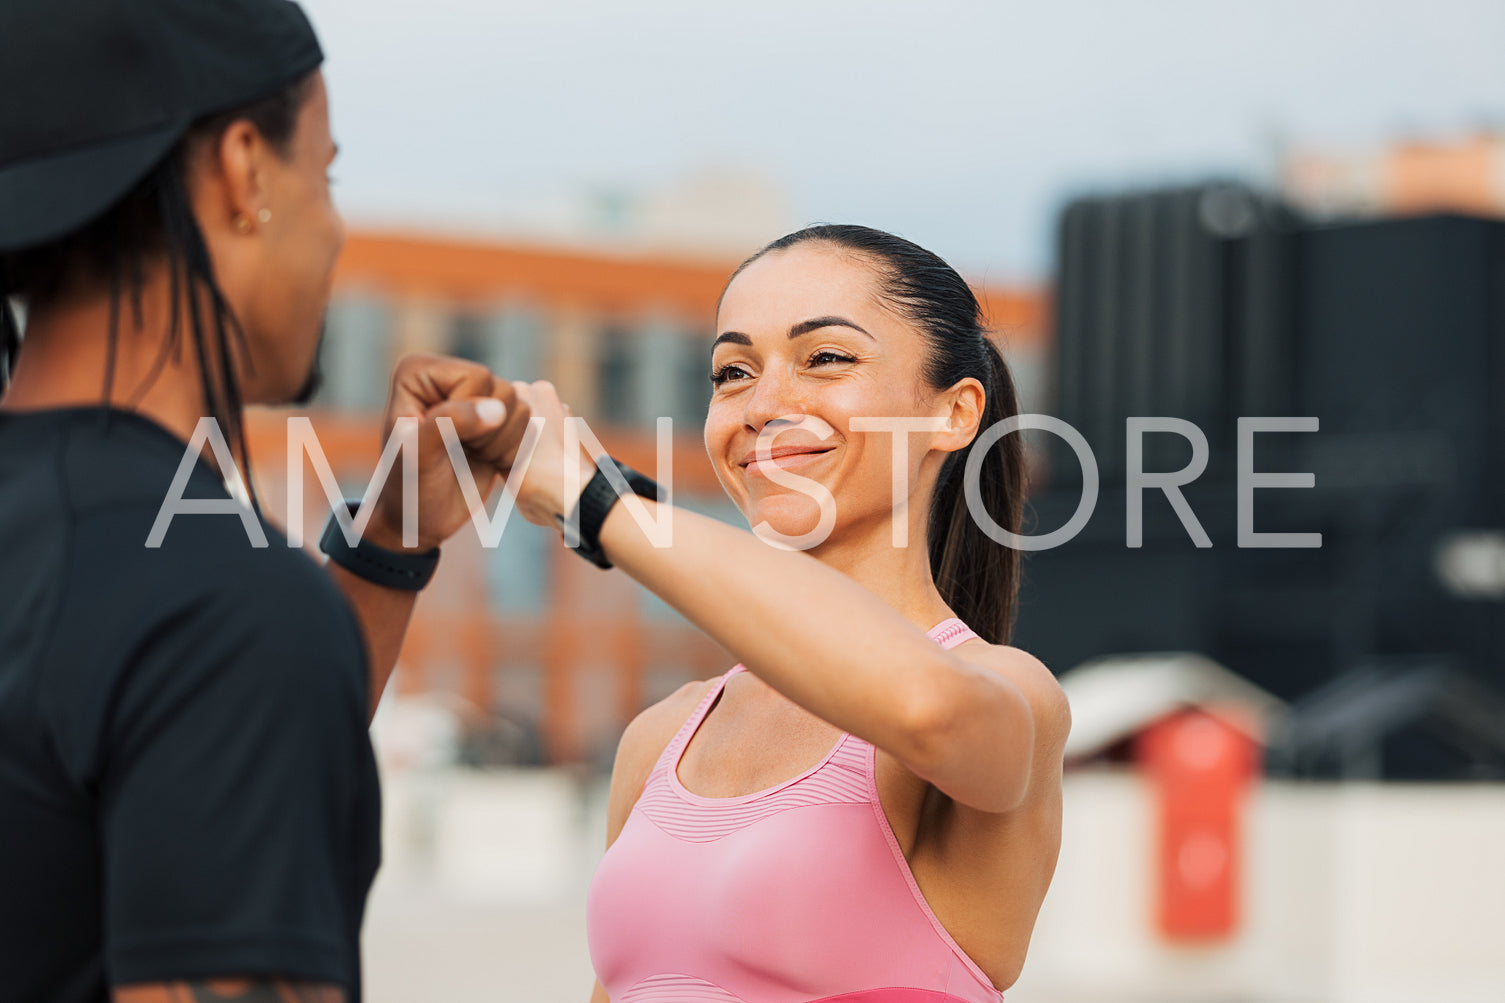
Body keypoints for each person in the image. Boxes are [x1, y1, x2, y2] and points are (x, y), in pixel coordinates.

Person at [0, 2, 529, 1000]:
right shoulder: (215, 602)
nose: (333, 230)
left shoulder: (121, 565)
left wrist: (386, 543)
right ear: (245, 171)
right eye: (323, 176)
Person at [501, 224, 1071, 1002]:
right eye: (732, 371)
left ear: (954, 413)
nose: (764, 405)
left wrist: (596, 503)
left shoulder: (1004, 692)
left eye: (826, 358)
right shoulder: (662, 735)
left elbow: (924, 709)